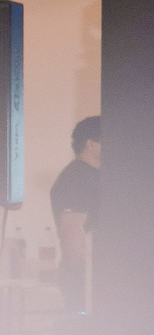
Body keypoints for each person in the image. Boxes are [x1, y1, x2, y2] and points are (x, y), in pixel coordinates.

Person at [50, 115, 100, 315]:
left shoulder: (97, 176)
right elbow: (72, 232)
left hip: (98, 277)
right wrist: (83, 279)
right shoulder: (75, 178)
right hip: (85, 282)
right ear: (91, 144)